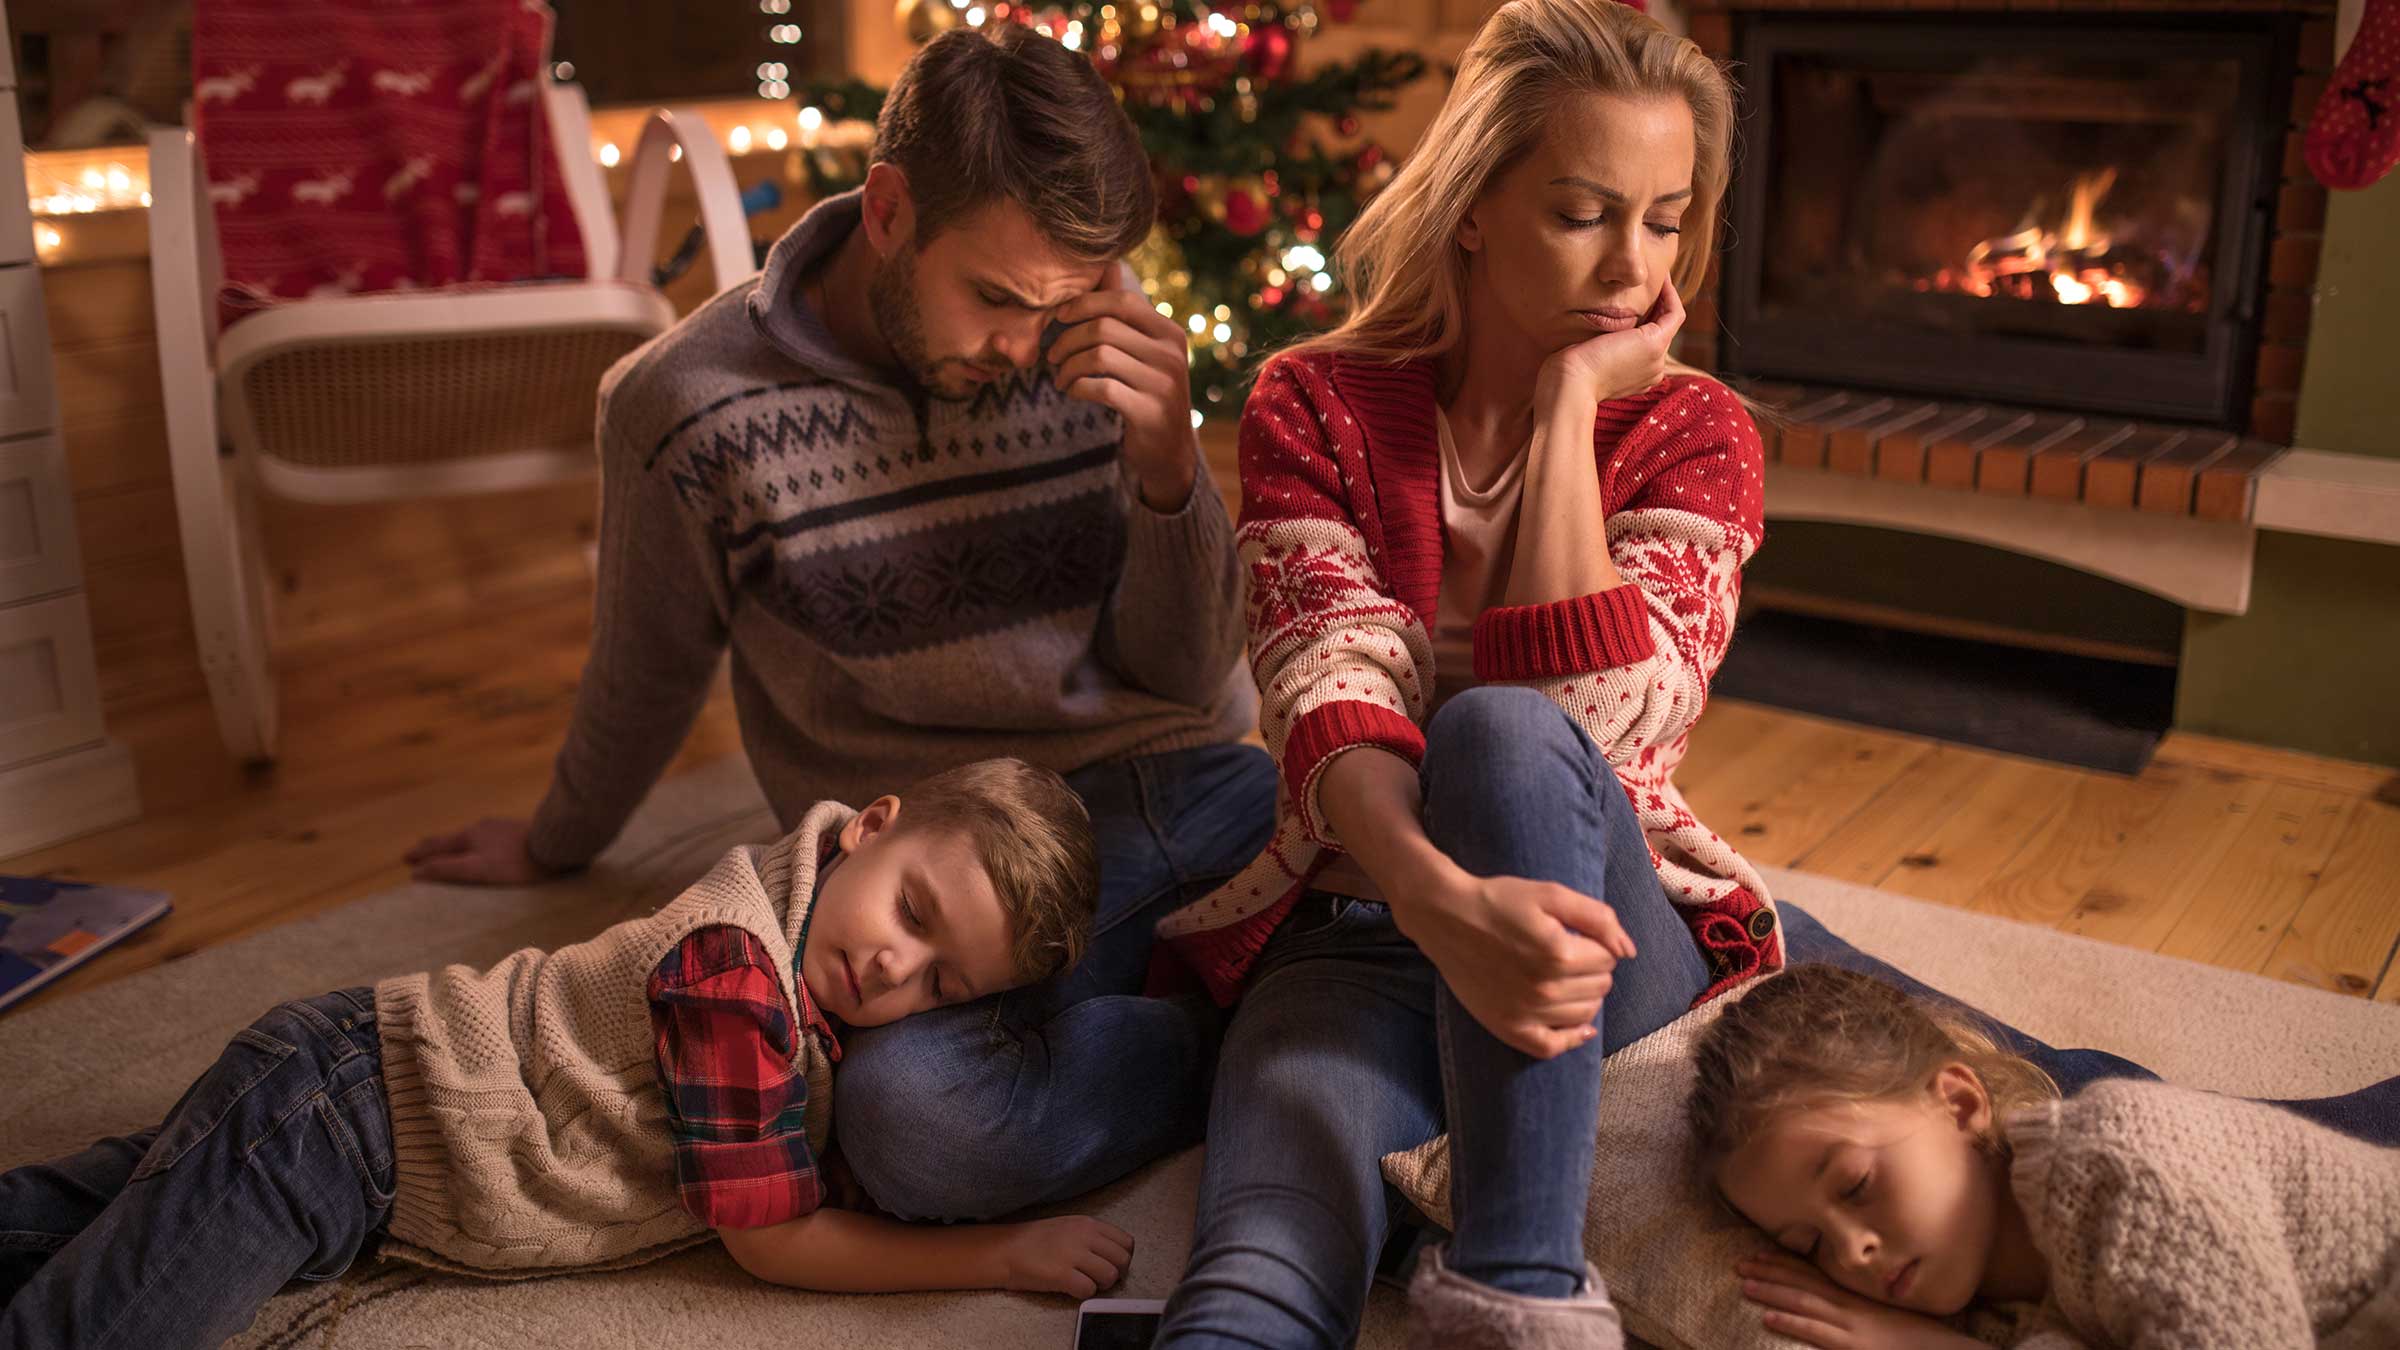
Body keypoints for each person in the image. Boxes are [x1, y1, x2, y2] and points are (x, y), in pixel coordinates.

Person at [403, 23, 1276, 1221]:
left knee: (1396, 856)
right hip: (929, 868)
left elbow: (1190, 675)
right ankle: (1243, 1035)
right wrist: (563, 839)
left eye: (1060, 303)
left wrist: (1171, 468)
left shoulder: (1089, 355)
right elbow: (648, 665)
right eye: (995, 299)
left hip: (1159, 795)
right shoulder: (683, 403)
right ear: (888, 211)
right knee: (911, 1132)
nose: (1027, 346)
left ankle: (1250, 995)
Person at [1140, 2, 1777, 1344]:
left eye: (1664, 221)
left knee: (1495, 735)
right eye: (1584, 212)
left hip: (1604, 948)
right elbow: (1329, 702)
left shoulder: (1696, 431)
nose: (1630, 266)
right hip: (1367, 923)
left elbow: (1588, 728)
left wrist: (1563, 412)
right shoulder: (1312, 401)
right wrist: (1438, 908)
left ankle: (1523, 1285)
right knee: (1259, 1259)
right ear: (1475, 204)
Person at [0, 759, 1146, 1349]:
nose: (899, 970)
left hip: (339, 1112)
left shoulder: (815, 943)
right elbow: (772, 1240)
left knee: (74, 1227)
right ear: (873, 824)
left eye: (944, 984)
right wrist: (999, 1255)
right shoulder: (733, 970)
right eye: (913, 913)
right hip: (343, 1126)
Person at [1689, 963, 2400, 1349]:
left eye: (1855, 1185)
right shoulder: (1993, 1303)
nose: (1852, 1253)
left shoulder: (2123, 1161)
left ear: (1960, 1104)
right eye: (1807, 1244)